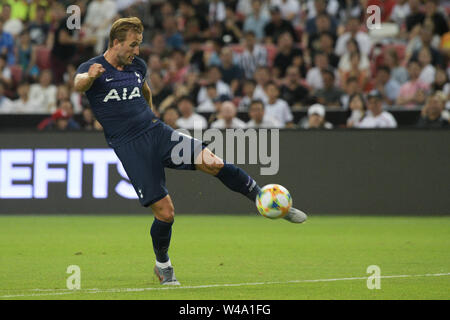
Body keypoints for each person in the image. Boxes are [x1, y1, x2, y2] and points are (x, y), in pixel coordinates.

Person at [74, 17, 307, 286]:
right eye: (133, 45)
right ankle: (163, 265)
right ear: (116, 42)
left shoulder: (137, 65)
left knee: (213, 162)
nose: (137, 51)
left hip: (157, 132)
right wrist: (89, 77)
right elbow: (79, 83)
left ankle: (263, 199)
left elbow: (144, 89)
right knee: (166, 213)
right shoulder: (92, 68)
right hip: (130, 146)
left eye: (139, 45)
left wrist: (151, 112)